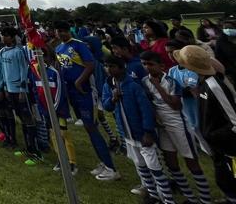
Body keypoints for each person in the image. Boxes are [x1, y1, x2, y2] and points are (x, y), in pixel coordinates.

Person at [139, 50, 212, 204]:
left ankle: (205, 200)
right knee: (171, 162)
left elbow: (175, 105)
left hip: (178, 125)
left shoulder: (171, 82)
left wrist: (158, 86)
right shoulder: (144, 81)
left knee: (191, 162)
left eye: (150, 64)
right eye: (144, 64)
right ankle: (190, 198)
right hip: (162, 127)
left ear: (161, 66)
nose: (147, 67)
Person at [102, 56, 175, 203]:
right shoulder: (108, 84)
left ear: (122, 68)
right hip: (127, 134)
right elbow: (107, 106)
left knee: (154, 167)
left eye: (112, 66)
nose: (109, 69)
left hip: (141, 133)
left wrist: (148, 131)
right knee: (140, 165)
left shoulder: (133, 85)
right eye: (107, 66)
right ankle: (153, 196)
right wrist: (113, 99)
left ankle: (167, 199)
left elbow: (145, 109)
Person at [54, 21, 118, 179]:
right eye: (58, 31)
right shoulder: (58, 48)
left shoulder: (78, 45)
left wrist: (79, 81)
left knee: (92, 127)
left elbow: (90, 65)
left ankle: (111, 168)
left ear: (69, 30)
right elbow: (61, 67)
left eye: (63, 30)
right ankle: (104, 162)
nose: (61, 33)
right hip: (72, 92)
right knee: (89, 128)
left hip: (85, 91)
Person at [174, 45, 236, 203]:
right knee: (224, 180)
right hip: (217, 147)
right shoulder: (202, 84)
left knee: (232, 180)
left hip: (229, 149)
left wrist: (213, 136)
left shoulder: (214, 86)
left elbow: (234, 121)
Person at [28, 47, 77, 175]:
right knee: (53, 135)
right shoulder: (36, 73)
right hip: (46, 111)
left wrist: (54, 108)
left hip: (59, 110)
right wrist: (42, 109)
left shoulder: (54, 73)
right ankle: (61, 159)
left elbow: (60, 93)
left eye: (44, 57)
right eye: (39, 57)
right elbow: (36, 92)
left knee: (64, 134)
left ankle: (72, 162)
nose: (42, 59)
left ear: (50, 58)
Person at [0, 27, 39, 161]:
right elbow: (4, 71)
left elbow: (24, 69)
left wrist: (23, 90)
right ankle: (27, 147)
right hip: (10, 89)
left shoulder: (18, 51)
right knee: (21, 118)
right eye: (2, 35)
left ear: (12, 37)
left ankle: (35, 150)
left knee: (28, 118)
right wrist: (5, 87)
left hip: (20, 90)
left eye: (6, 35)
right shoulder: (3, 52)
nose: (3, 38)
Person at [214, 17, 236, 85]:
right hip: (230, 69)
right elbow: (218, 57)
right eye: (226, 28)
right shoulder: (220, 41)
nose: (228, 30)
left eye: (231, 28)